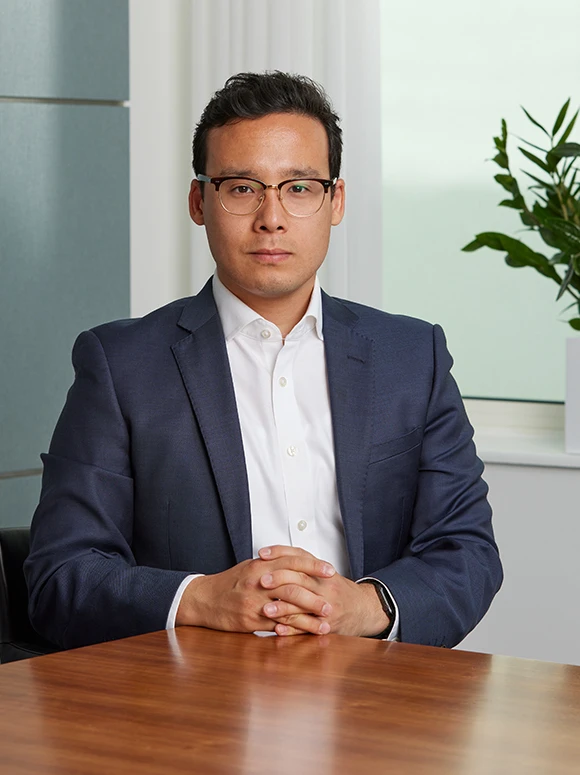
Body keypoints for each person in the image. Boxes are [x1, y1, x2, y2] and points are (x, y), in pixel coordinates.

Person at [25, 72, 502, 649]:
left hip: (371, 698)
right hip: (190, 710)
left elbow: (466, 551)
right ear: (200, 202)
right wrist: (202, 598)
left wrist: (365, 604)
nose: (271, 217)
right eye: (243, 187)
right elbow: (60, 577)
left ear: (336, 201)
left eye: (299, 188)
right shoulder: (120, 366)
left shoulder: (411, 356)